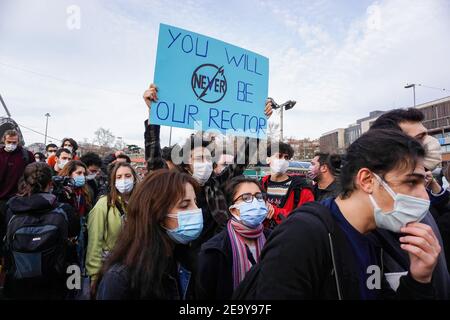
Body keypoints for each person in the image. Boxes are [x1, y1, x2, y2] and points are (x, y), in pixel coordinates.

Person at [236, 129, 440, 300]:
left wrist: (418, 280)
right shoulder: (302, 236)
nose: (423, 196)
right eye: (411, 182)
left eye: (424, 183)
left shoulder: (374, 236)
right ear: (367, 180)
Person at [143, 84, 273, 254]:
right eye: (198, 158)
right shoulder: (172, 186)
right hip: (178, 255)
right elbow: (154, 162)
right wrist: (153, 116)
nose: (205, 163)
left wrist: (258, 122)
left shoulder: (217, 184)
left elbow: (242, 159)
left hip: (214, 255)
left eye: (208, 158)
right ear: (186, 164)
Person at [368, 107, 450, 298]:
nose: (429, 144)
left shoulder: (418, 204)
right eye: (420, 138)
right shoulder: (371, 227)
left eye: (420, 182)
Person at [96, 170, 202, 300]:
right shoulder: (120, 279)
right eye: (184, 205)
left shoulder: (184, 260)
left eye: (195, 202)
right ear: (157, 213)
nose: (196, 211)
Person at [2, 162, 80, 299]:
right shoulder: (64, 209)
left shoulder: (10, 209)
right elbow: (74, 235)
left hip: (17, 284)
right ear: (50, 183)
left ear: (25, 182)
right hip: (55, 283)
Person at [197, 176, 271, 300]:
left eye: (259, 197)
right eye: (246, 198)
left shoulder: (273, 239)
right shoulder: (214, 250)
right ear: (233, 209)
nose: (255, 202)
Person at [86, 162, 138, 289]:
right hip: (110, 268)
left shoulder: (142, 203)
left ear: (134, 179)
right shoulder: (104, 204)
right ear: (113, 181)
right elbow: (94, 241)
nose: (124, 180)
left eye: (127, 176)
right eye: (119, 177)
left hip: (137, 267)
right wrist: (94, 275)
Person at [260, 141, 314, 227]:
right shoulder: (260, 186)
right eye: (279, 156)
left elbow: (306, 219)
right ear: (268, 159)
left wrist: (275, 211)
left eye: (286, 157)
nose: (283, 160)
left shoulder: (301, 189)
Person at [0, 130, 34, 259]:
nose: (11, 144)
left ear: (18, 141)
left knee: (14, 233)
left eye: (14, 142)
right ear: (4, 140)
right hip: (1, 201)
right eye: (9, 142)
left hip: (18, 201)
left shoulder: (26, 155)